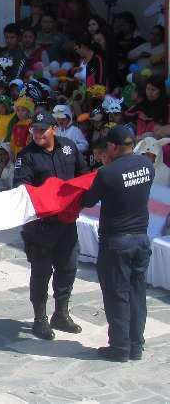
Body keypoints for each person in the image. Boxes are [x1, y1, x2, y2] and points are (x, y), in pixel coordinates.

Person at [81, 126, 155, 362]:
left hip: (117, 241)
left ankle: (120, 348)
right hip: (141, 238)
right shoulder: (148, 167)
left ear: (112, 147)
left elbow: (88, 199)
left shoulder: (107, 173)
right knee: (137, 293)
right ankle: (136, 346)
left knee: (117, 295)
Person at [14, 111, 89, 340]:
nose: (37, 133)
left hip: (66, 222)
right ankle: (40, 318)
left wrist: (76, 197)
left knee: (67, 268)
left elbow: (83, 173)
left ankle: (61, 313)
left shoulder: (68, 147)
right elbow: (21, 187)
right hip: (40, 226)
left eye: (42, 129)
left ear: (53, 129)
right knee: (41, 272)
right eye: (34, 129)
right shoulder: (27, 155)